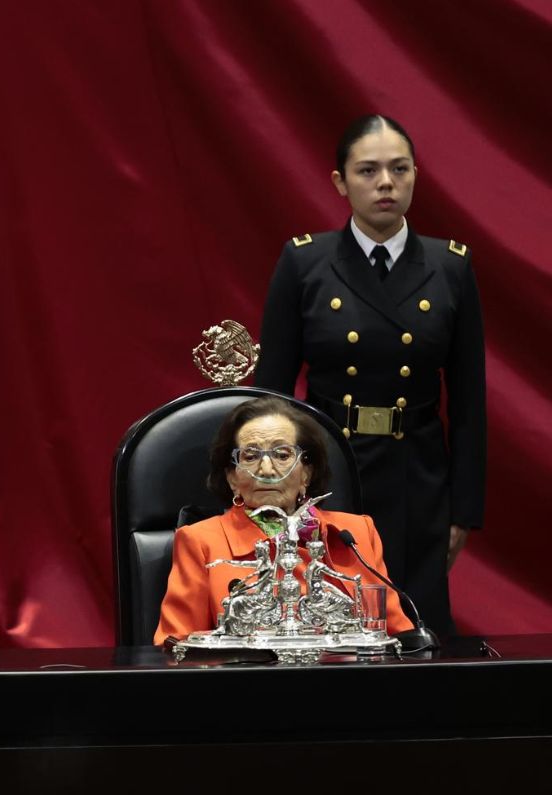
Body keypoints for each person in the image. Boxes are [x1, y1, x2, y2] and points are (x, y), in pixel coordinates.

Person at [254, 115, 486, 638]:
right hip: (328, 476)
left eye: (398, 169)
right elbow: (271, 396)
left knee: (413, 631)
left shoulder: (450, 267)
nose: (385, 183)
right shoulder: (305, 263)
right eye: (368, 170)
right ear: (340, 182)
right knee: (328, 631)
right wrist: (272, 495)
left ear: (415, 176)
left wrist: (463, 510)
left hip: (418, 479)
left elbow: (470, 404)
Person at [154, 396, 412, 645]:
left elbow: (399, 638)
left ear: (306, 474)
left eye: (282, 454)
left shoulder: (355, 533)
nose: (266, 469)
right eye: (251, 456)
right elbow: (176, 646)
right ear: (233, 478)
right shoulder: (200, 541)